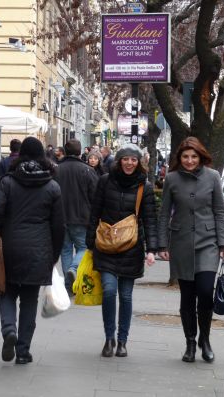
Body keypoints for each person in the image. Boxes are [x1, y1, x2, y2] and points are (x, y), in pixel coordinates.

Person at [0, 137, 64, 364]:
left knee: (7, 292)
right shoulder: (52, 186)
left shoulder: (9, 182)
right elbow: (59, 226)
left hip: (10, 247)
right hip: (39, 250)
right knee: (30, 300)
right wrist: (55, 254)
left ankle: (9, 329)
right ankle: (23, 351)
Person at [158, 137, 224, 363]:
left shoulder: (213, 177)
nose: (189, 161)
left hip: (208, 243)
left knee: (206, 292)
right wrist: (162, 244)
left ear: (201, 157)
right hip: (181, 243)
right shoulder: (171, 179)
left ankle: (205, 340)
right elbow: (164, 213)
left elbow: (220, 211)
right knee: (187, 297)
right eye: (185, 156)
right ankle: (190, 341)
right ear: (179, 158)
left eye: (194, 156)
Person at [86, 143, 157, 358]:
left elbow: (150, 219)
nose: (129, 163)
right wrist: (90, 242)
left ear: (139, 162)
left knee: (125, 296)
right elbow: (94, 212)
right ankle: (109, 338)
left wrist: (152, 249)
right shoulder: (105, 181)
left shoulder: (144, 186)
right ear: (119, 161)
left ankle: (123, 341)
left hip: (131, 248)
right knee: (109, 291)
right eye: (125, 159)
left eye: (133, 159)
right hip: (106, 246)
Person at [54, 139, 98, 294]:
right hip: (81, 217)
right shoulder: (87, 170)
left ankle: (68, 282)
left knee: (65, 250)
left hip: (61, 216)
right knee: (84, 247)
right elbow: (95, 196)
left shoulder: (56, 169)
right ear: (80, 152)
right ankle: (74, 269)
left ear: (64, 151)